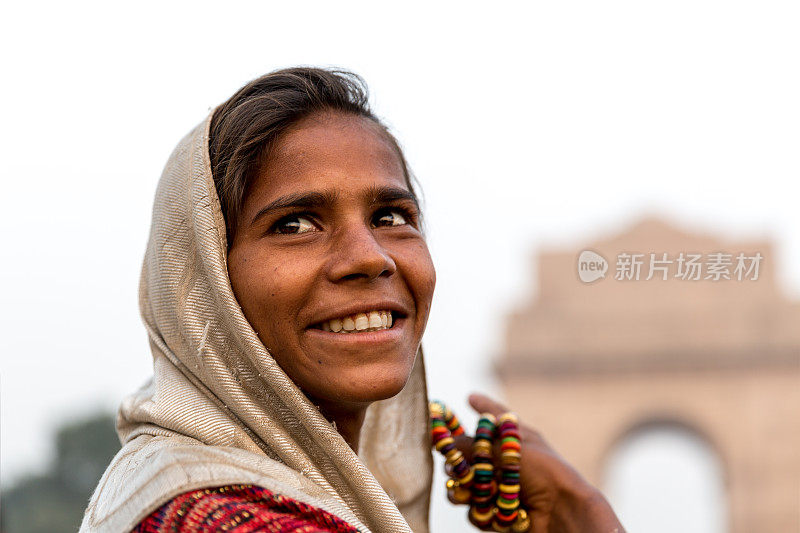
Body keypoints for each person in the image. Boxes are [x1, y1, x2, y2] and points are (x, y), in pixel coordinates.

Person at [80, 67, 625, 533]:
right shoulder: (227, 518)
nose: (370, 258)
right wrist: (587, 513)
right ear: (203, 287)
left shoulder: (189, 490)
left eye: (391, 217)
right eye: (295, 224)